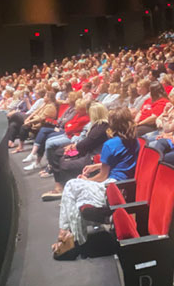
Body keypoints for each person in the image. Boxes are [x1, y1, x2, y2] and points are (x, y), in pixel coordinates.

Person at [53, 108, 140, 255]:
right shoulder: (135, 141)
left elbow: (102, 176)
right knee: (75, 196)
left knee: (72, 185)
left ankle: (68, 235)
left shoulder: (110, 144)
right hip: (124, 186)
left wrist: (87, 180)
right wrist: (97, 165)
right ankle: (70, 236)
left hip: (112, 189)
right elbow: (122, 162)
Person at [42, 102, 111, 201]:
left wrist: (74, 147)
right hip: (88, 152)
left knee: (64, 162)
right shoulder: (98, 125)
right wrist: (74, 147)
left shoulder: (101, 127)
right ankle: (60, 186)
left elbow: (86, 144)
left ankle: (63, 189)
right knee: (58, 152)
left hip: (93, 157)